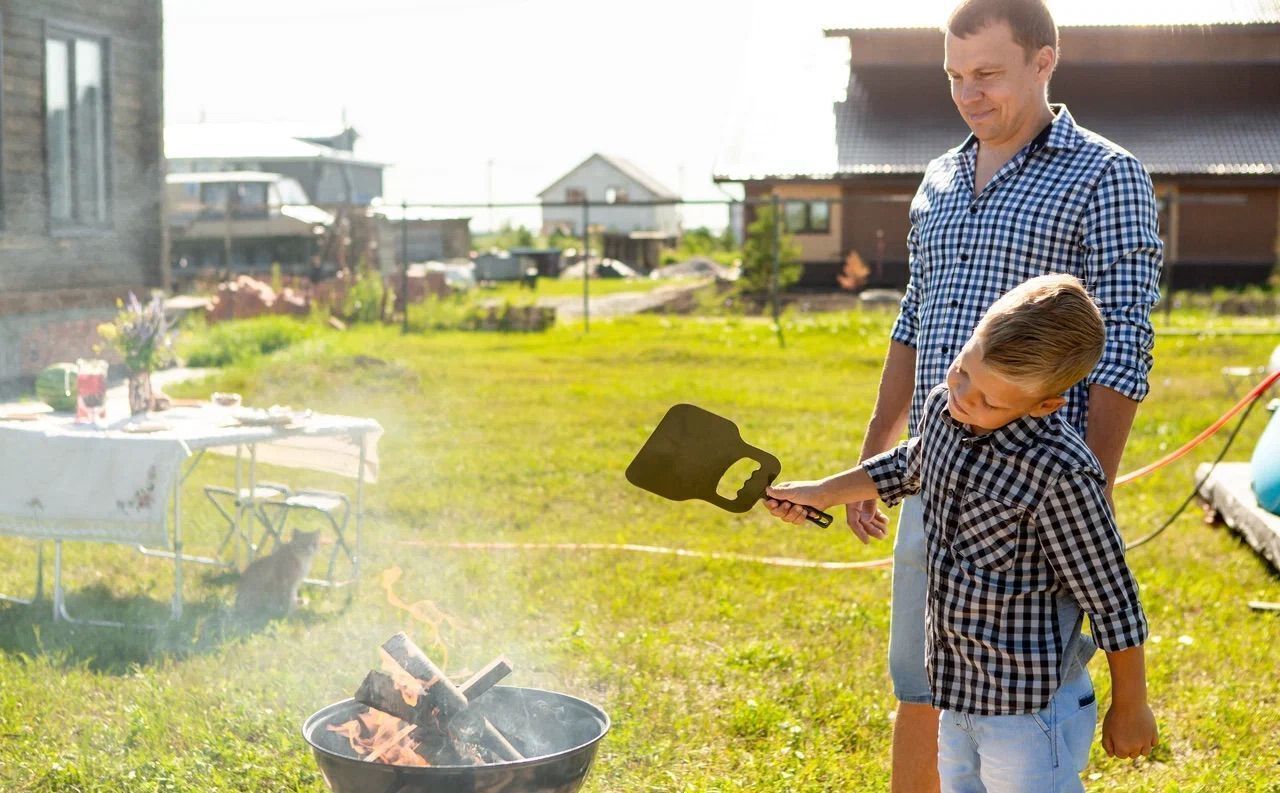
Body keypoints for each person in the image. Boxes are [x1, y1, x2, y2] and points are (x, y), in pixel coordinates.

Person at [840, 1, 1163, 788]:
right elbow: (915, 317)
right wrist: (879, 439)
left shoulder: (1105, 174)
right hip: (939, 470)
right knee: (921, 679)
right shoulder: (939, 179)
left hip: (1030, 498)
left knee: (1021, 704)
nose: (968, 94)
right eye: (955, 76)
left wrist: (1094, 481)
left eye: (988, 74)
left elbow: (1124, 339)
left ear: (1043, 61)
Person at [766, 275, 1158, 792]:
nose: (965, 399)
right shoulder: (945, 410)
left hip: (1029, 710)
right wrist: (822, 491)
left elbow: (1112, 598)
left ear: (1044, 404)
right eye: (962, 373)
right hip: (956, 690)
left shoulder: (1059, 475)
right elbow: (912, 463)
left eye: (991, 401)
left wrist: (1131, 704)